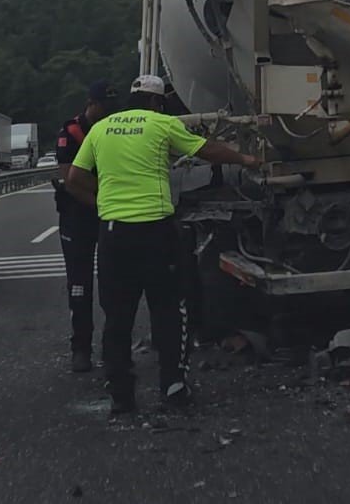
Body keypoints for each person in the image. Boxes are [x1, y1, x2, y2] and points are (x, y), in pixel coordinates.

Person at [67, 73, 261, 415]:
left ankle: (121, 395)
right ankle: (173, 387)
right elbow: (207, 150)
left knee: (117, 317)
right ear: (157, 101)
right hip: (155, 231)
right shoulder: (160, 123)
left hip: (114, 234)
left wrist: (103, 205)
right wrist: (245, 159)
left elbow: (75, 179)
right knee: (169, 310)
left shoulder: (100, 129)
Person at [54, 79, 118, 372]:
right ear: (91, 104)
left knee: (114, 282)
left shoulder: (114, 128)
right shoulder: (71, 132)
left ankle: (113, 346)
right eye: (103, 106)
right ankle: (80, 347)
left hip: (106, 213)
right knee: (79, 285)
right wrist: (104, 196)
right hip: (78, 214)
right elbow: (70, 179)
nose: (107, 112)